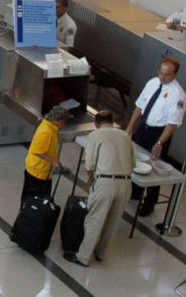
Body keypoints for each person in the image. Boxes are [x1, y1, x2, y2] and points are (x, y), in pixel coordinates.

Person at [64, 111, 134, 268]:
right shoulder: (125, 136)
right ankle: (101, 253)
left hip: (106, 182)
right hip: (126, 184)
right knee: (113, 220)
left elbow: (89, 165)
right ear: (113, 121)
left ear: (96, 123)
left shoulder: (96, 135)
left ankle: (83, 257)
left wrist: (91, 178)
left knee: (95, 220)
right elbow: (133, 164)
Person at [126, 57, 186, 217]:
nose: (162, 77)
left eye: (166, 75)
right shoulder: (153, 83)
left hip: (159, 133)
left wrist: (160, 142)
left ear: (175, 75)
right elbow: (139, 106)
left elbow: (172, 124)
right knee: (136, 159)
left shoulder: (178, 95)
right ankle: (136, 191)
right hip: (144, 128)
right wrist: (130, 128)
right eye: (160, 73)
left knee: (154, 166)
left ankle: (149, 202)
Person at [21, 106, 71, 203]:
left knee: (41, 198)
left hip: (43, 171)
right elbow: (37, 151)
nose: (65, 124)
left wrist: (54, 161)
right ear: (57, 120)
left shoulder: (50, 127)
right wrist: (53, 161)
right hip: (37, 172)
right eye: (64, 122)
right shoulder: (46, 131)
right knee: (33, 200)